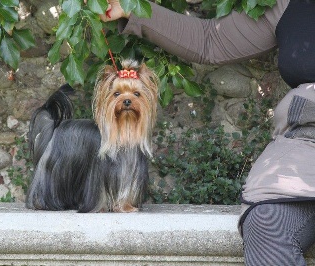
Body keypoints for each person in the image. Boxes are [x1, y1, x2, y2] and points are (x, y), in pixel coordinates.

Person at [90, 0, 315, 265]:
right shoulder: (289, 4)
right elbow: (211, 40)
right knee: (266, 224)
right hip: (305, 143)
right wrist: (130, 7)